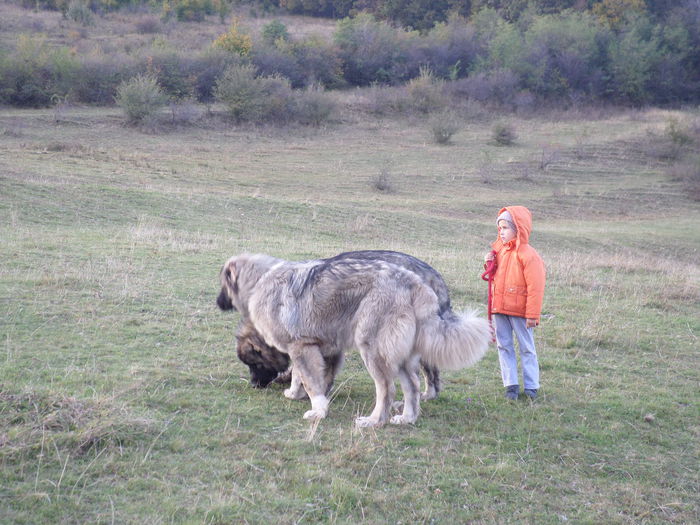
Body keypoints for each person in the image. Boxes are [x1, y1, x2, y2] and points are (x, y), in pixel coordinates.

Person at [484, 206, 546, 400]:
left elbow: (536, 288)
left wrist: (533, 315)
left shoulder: (529, 255)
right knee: (504, 346)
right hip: (500, 308)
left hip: (520, 312)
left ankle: (531, 388)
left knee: (527, 348)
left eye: (505, 228)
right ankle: (510, 385)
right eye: (499, 228)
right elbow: (496, 277)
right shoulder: (499, 251)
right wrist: (489, 264)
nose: (501, 232)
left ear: (518, 228)